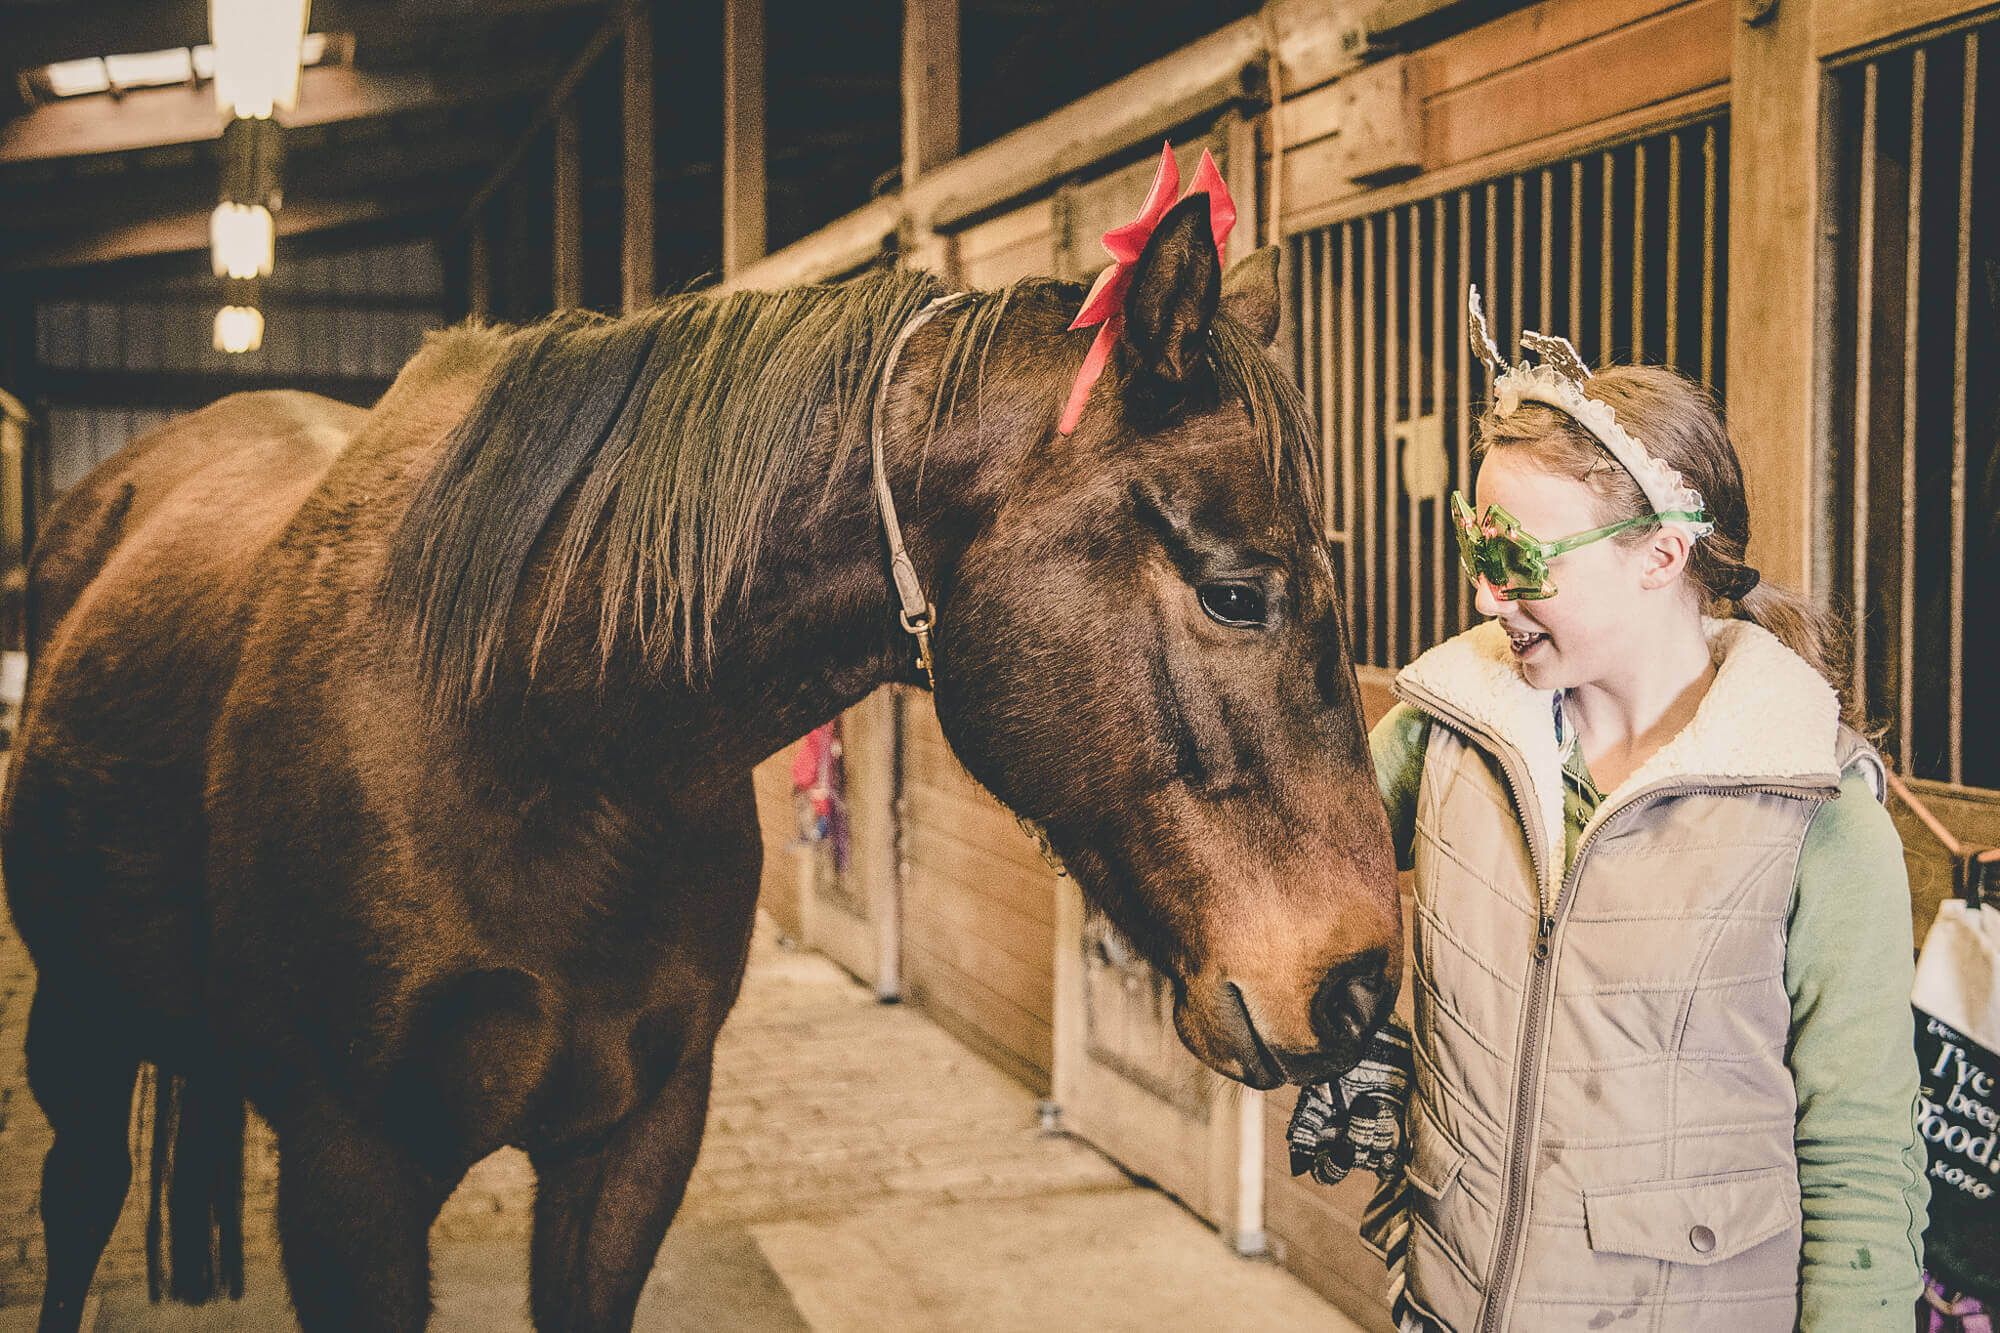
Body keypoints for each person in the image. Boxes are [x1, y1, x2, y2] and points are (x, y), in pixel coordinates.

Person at [1358, 291, 1928, 1331]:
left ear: (1658, 554)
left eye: (1519, 562)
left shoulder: (1815, 810)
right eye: (1475, 549)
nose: (1487, 596)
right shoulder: (1442, 728)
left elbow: (1857, 1157)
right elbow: (1289, 871)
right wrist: (1349, 1036)